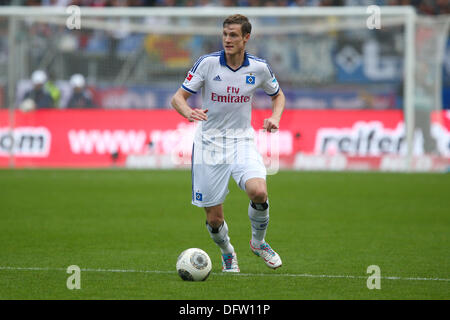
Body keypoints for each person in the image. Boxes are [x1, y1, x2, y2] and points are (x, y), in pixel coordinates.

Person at [171, 14, 285, 272]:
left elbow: (278, 96)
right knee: (214, 219)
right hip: (209, 145)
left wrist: (275, 116)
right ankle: (227, 252)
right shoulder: (207, 64)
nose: (227, 40)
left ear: (246, 37)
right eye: (225, 35)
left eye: (233, 35)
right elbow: (178, 98)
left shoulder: (259, 68)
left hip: (242, 141)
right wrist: (188, 112)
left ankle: (258, 243)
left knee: (259, 191)